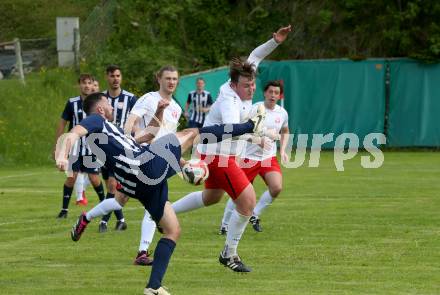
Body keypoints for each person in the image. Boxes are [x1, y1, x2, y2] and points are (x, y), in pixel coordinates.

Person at [55, 92, 266, 295]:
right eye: (107, 104)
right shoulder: (95, 120)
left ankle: (153, 287)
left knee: (172, 230)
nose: (111, 106)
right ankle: (250, 126)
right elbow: (72, 134)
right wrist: (62, 156)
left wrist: (158, 111)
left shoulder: (109, 131)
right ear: (100, 108)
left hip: (139, 184)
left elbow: (147, 135)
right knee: (193, 133)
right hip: (144, 168)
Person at [170, 25, 291, 272]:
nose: (252, 88)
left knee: (212, 197)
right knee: (247, 202)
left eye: (252, 84)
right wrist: (255, 131)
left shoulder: (240, 81)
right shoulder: (229, 99)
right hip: (218, 155)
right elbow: (232, 128)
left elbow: (255, 56)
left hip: (219, 153)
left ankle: (165, 212)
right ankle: (229, 253)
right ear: (234, 84)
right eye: (247, 85)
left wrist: (274, 42)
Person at [124, 65, 182, 266]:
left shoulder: (177, 108)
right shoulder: (148, 99)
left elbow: (169, 138)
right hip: (145, 158)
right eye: (167, 78)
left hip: (161, 160)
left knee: (152, 204)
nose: (171, 82)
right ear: (159, 79)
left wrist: (181, 161)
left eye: (174, 78)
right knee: (147, 204)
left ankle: (142, 251)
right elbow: (131, 123)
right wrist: (131, 141)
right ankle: (89, 216)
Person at [219, 80, 290, 235]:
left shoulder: (282, 113)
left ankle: (254, 215)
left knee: (276, 187)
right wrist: (258, 140)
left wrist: (283, 150)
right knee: (238, 193)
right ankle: (224, 224)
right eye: (270, 92)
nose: (273, 95)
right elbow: (241, 130)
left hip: (268, 158)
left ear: (279, 95)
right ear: (265, 93)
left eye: (276, 93)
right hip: (248, 157)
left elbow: (285, 131)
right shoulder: (254, 109)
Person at [53, 74, 106, 218]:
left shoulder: (97, 103)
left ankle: (105, 206)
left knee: (94, 178)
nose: (87, 86)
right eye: (84, 83)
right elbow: (62, 123)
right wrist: (57, 146)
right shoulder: (72, 103)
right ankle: (64, 210)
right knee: (72, 177)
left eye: (89, 83)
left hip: (91, 148)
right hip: (75, 148)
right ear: (79, 85)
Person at [98, 65, 137, 233]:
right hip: (104, 148)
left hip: (122, 148)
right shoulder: (100, 99)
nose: (115, 79)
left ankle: (103, 222)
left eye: (118, 75)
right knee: (110, 187)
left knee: (113, 185)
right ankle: (121, 220)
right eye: (112, 75)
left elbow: (138, 120)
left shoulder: (131, 98)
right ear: (107, 77)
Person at [74, 77, 99, 207]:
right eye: (90, 85)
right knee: (86, 172)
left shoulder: (101, 103)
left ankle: (81, 191)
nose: (92, 87)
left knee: (93, 173)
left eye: (95, 85)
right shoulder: (78, 104)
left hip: (99, 145)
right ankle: (80, 195)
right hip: (83, 146)